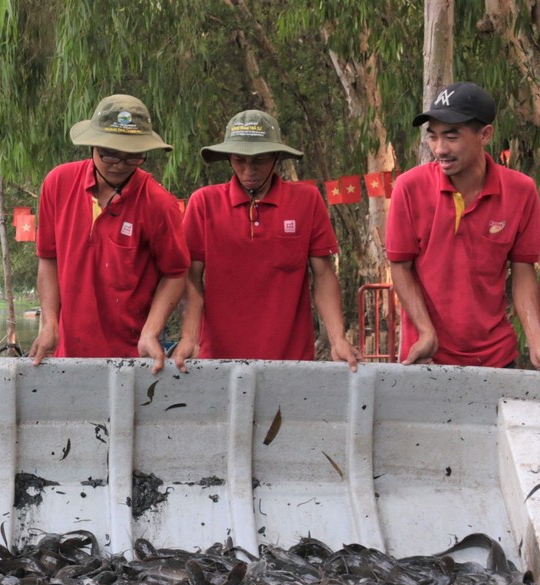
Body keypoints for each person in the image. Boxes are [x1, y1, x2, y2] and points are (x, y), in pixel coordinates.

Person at [172, 110, 358, 371]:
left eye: (259, 160)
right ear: (228, 158)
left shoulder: (307, 201)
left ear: (276, 157)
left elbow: (324, 275)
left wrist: (338, 338)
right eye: (239, 160)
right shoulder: (204, 203)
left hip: (292, 361)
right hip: (218, 360)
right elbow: (190, 277)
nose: (249, 170)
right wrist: (189, 337)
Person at [30, 94, 189, 373]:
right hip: (68, 355)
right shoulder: (58, 183)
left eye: (132, 156)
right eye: (110, 153)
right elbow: (48, 258)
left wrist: (151, 332)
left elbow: (176, 273)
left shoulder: (159, 204)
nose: (119, 163)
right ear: (93, 144)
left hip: (132, 360)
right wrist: (50, 322)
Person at [386, 82, 540, 368]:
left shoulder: (521, 191)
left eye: (451, 137)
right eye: (433, 137)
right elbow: (400, 267)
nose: (440, 149)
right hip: (426, 357)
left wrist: (536, 339)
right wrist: (425, 331)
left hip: (497, 358)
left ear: (485, 134)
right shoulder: (409, 188)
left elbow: (523, 271)